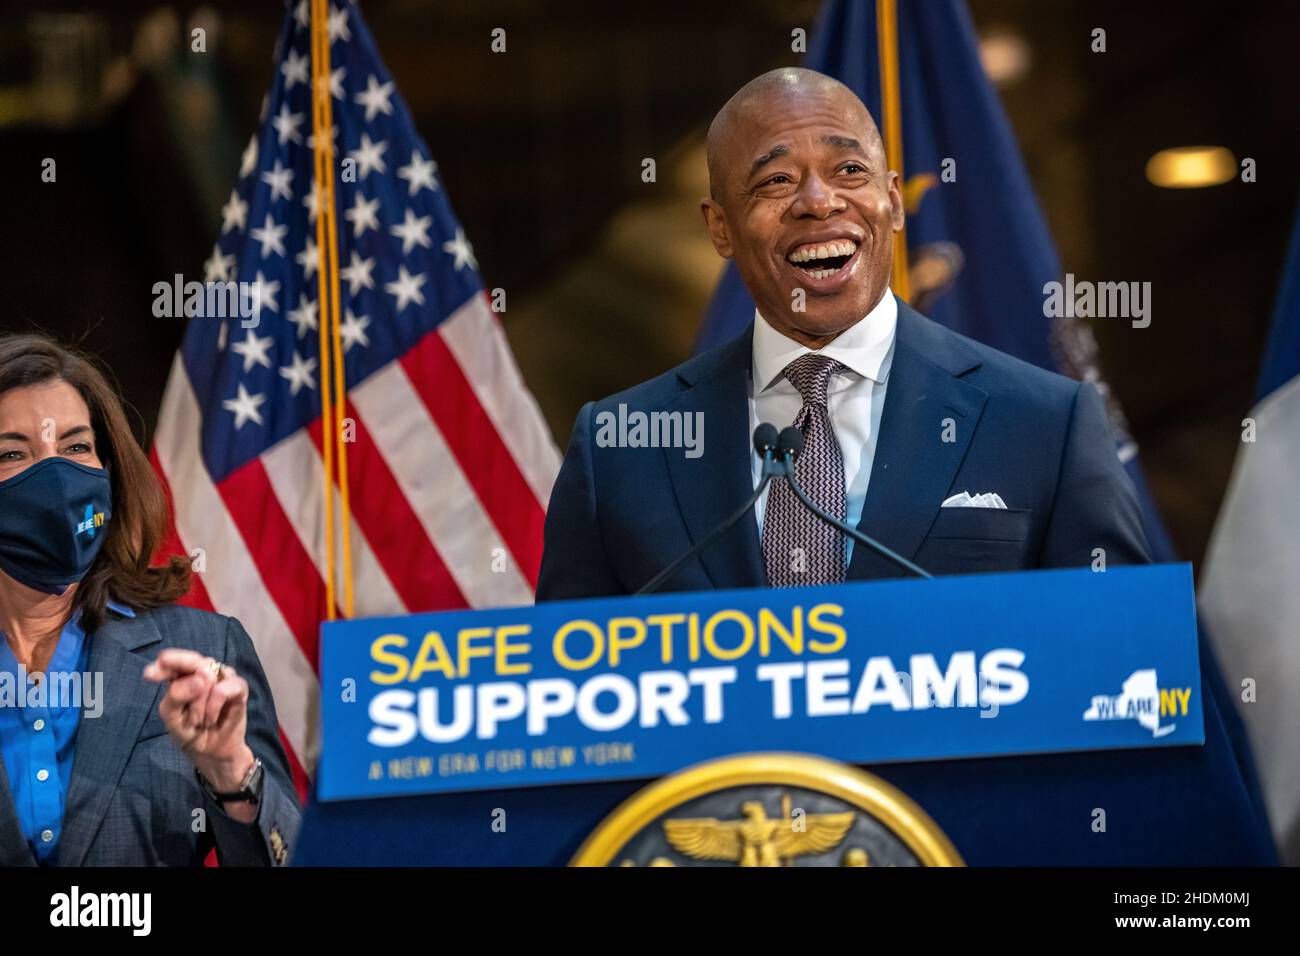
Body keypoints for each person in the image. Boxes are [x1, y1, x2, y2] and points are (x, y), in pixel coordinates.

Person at [537, 67, 1148, 600]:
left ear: (892, 202)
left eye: (849, 170)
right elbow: (570, 689)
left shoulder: (1047, 423)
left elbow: (1120, 661)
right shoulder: (618, 450)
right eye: (775, 181)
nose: (819, 202)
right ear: (720, 228)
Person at [0, 333, 299, 866]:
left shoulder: (207, 648)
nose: (54, 478)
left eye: (74, 447)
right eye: (13, 453)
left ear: (109, 472)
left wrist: (232, 773)